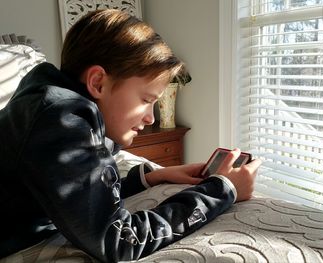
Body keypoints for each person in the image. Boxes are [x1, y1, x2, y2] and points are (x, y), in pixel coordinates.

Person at [0, 9, 262, 262]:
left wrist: (152, 176)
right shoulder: (62, 120)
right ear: (98, 82)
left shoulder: (46, 102)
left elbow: (78, 196)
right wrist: (222, 189)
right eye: (147, 100)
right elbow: (122, 241)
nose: (150, 118)